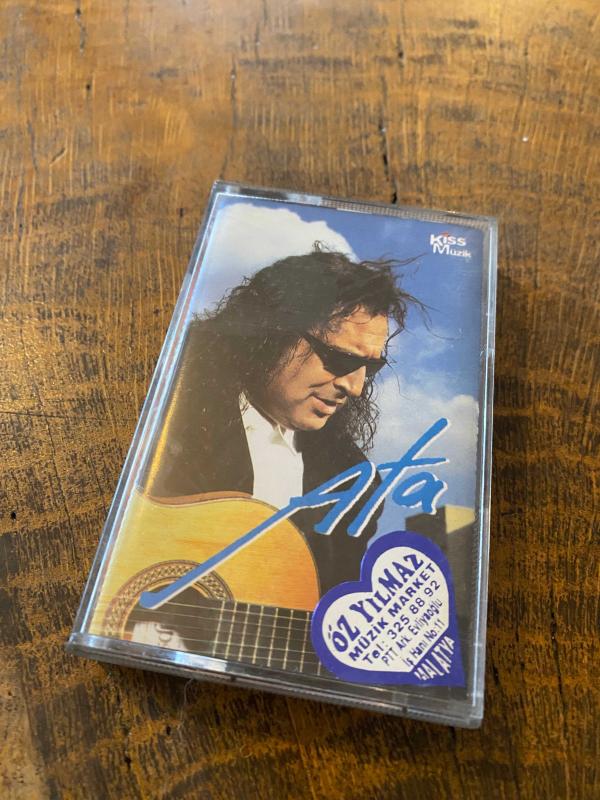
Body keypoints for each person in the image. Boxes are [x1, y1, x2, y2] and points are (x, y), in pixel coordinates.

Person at [141, 247, 419, 595]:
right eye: (340, 359)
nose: (356, 387)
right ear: (273, 331)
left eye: (371, 367)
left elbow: (326, 608)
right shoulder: (166, 407)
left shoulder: (356, 485)